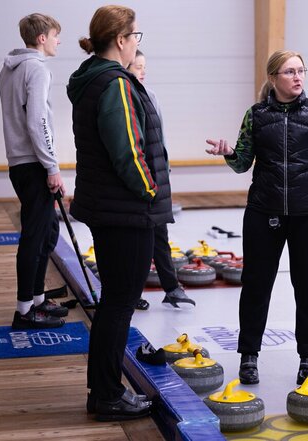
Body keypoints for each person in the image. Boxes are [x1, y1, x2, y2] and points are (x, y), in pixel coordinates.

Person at [206, 50, 308, 385]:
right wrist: (228, 153)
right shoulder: (256, 116)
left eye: (301, 71)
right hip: (263, 213)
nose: (298, 77)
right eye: (289, 72)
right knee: (256, 286)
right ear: (273, 78)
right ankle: (249, 355)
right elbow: (242, 162)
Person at [66, 5, 169, 421]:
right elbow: (128, 151)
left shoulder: (93, 77)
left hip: (110, 207)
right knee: (119, 304)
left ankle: (104, 391)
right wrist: (150, 191)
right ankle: (107, 395)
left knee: (115, 302)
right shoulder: (115, 84)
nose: (137, 44)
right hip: (125, 211)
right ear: (123, 40)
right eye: (137, 37)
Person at [0, 13, 68, 329]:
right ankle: (24, 310)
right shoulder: (36, 69)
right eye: (55, 35)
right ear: (42, 38)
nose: (58, 41)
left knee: (47, 232)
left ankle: (37, 299)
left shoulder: (9, 69)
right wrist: (51, 166)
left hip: (21, 164)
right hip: (34, 164)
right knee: (34, 236)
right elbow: (37, 121)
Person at [127, 50, 195, 309]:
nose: (143, 72)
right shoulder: (128, 98)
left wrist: (164, 172)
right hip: (141, 181)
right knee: (139, 244)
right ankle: (133, 293)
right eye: (138, 67)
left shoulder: (151, 96)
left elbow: (160, 140)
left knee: (161, 237)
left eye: (144, 67)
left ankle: (172, 287)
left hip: (158, 178)